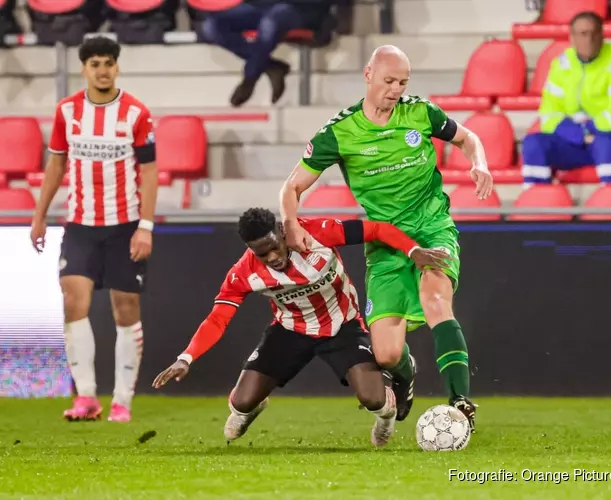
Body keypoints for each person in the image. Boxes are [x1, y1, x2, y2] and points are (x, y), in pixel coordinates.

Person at [278, 45, 493, 432]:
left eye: (403, 82)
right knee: (386, 351)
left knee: (436, 299)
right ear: (368, 75)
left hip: (432, 227)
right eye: (389, 81)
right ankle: (406, 372)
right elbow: (292, 188)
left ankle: (460, 402)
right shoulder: (339, 133)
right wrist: (291, 225)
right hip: (385, 242)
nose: (396, 89)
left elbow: (467, 138)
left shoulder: (421, 113)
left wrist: (479, 163)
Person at [152, 208, 450, 446]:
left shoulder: (317, 233)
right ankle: (252, 408)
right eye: (261, 254)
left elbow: (376, 229)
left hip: (342, 325)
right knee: (240, 403)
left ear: (282, 232)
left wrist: (412, 251)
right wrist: (186, 357)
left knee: (373, 399)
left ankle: (385, 419)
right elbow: (218, 318)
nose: (272, 258)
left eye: (273, 248)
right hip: (290, 330)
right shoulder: (244, 272)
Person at [30, 36, 158, 423]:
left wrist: (146, 227)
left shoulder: (137, 113)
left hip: (125, 225)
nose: (102, 70)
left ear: (117, 67)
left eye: (108, 63)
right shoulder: (66, 112)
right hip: (81, 224)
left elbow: (150, 173)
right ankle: (86, 397)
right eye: (95, 64)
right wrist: (39, 215)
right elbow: (56, 165)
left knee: (126, 309)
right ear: (83, 68)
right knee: (73, 302)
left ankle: (122, 399)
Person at [521, 11, 611, 186]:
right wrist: (582, 135)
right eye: (583, 34)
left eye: (594, 33)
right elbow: (548, 116)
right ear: (572, 37)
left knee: (606, 142)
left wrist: (583, 132)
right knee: (533, 143)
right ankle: (537, 207)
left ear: (602, 35)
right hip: (581, 140)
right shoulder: (561, 64)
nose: (589, 39)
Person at [201, 0, 333, 107]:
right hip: (259, 6)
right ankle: (270, 66)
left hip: (299, 8)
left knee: (269, 24)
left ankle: (250, 78)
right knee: (211, 26)